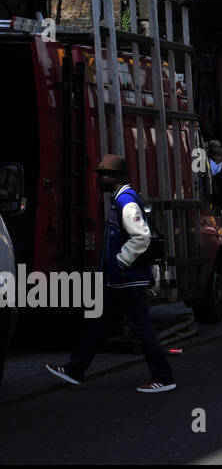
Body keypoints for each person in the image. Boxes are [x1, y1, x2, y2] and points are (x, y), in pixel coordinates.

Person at [46, 155, 177, 393]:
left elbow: (141, 236)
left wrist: (120, 261)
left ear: (114, 178)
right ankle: (75, 369)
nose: (98, 180)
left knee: (141, 328)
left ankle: (164, 377)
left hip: (128, 278)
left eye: (102, 175)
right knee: (100, 323)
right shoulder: (119, 200)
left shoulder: (125, 201)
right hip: (119, 279)